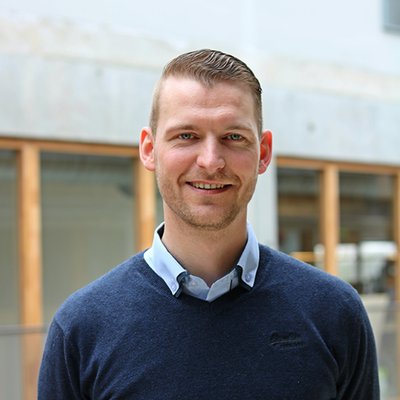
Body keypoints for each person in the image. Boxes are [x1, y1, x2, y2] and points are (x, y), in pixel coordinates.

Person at [38, 49, 379, 399]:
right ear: (149, 149)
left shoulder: (334, 313)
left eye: (234, 137)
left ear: (263, 153)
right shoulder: (82, 328)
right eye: (186, 135)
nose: (211, 161)